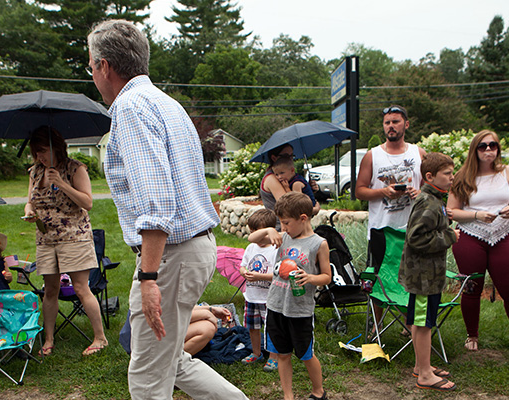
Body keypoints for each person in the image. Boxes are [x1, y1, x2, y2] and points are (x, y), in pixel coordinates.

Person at [89, 19, 248, 399]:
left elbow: (156, 198)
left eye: (91, 66)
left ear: (104, 66)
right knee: (171, 361)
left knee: (146, 376)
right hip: (192, 248)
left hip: (170, 257)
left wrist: (148, 278)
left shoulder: (129, 107)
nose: (92, 74)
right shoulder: (166, 103)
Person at [22, 125, 107, 357]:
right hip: (46, 239)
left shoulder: (75, 169)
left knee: (80, 287)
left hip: (74, 237)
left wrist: (62, 183)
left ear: (56, 147)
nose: (39, 156)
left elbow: (87, 202)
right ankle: (48, 339)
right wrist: (29, 210)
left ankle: (100, 337)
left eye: (43, 151)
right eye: (36, 152)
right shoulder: (35, 172)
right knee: (50, 290)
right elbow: (30, 200)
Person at [447, 130, 509, 352]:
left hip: (501, 234)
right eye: (483, 146)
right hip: (470, 235)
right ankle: (472, 335)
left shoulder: (508, 173)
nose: (489, 150)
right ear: (475, 150)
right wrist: (477, 215)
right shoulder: (462, 176)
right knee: (471, 287)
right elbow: (451, 211)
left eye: (493, 145)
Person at [248, 192, 331, 400]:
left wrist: (310, 278)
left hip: (300, 311)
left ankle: (318, 391)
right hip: (276, 306)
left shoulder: (318, 244)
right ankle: (288, 396)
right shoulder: (282, 237)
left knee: (305, 354)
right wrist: (269, 229)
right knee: (282, 354)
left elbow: (327, 277)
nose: (283, 228)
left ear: (303, 218)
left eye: (286, 223)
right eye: (280, 223)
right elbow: (251, 238)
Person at [356, 105, 426, 329]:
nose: (391, 126)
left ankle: (411, 325)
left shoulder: (418, 153)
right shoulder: (372, 155)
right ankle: (375, 326)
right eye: (387, 123)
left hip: (412, 228)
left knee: (412, 279)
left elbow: (432, 185)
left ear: (406, 124)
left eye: (396, 122)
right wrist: (383, 192)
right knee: (379, 280)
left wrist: (420, 191)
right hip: (381, 230)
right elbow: (359, 191)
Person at [399, 152, 458, 392]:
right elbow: (416, 238)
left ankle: (421, 365)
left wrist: (445, 224)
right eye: (447, 174)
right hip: (424, 277)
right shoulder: (428, 201)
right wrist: (449, 236)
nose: (452, 178)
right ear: (430, 176)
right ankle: (424, 375)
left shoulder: (435, 200)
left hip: (429, 275)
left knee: (422, 321)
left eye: (452, 173)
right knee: (422, 323)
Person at [238, 209, 278, 372]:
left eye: (260, 232)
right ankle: (256, 352)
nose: (257, 237)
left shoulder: (275, 250)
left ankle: (273, 357)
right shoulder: (251, 248)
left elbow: (278, 275)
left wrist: (260, 277)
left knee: (271, 328)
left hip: (268, 299)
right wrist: (244, 273)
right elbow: (242, 266)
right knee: (252, 327)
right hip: (252, 297)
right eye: (253, 232)